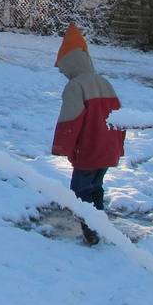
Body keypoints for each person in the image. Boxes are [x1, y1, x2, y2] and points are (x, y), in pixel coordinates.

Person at [51, 23, 125, 245]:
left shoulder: (76, 86)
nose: (62, 72)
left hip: (89, 149)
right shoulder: (104, 82)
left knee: (79, 192)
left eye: (63, 67)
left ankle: (90, 231)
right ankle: (99, 222)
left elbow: (70, 120)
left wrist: (61, 146)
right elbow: (120, 118)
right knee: (95, 187)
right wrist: (117, 145)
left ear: (70, 62)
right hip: (106, 149)